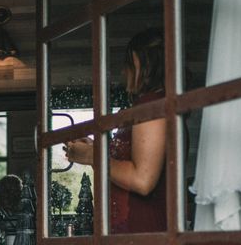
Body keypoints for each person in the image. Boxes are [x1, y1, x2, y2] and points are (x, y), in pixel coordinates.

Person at [65, 28, 166, 233]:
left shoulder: (152, 106)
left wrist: (94, 156)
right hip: (127, 226)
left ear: (142, 65)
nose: (124, 72)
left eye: (128, 65)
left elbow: (143, 180)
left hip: (141, 228)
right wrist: (93, 151)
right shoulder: (150, 105)